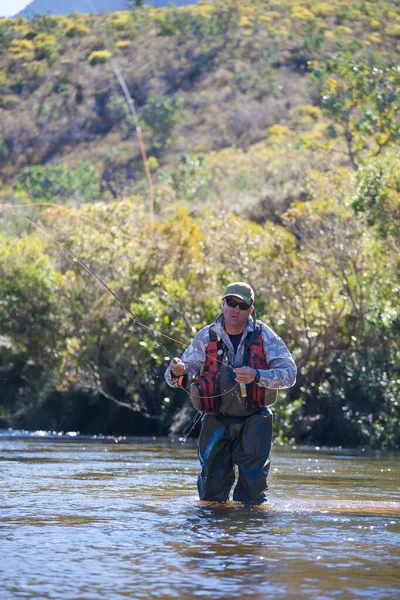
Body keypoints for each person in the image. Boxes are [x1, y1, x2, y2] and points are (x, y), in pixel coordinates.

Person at [165, 282, 297, 505]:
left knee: (252, 495)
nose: (236, 309)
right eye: (231, 303)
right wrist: (176, 370)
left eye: (243, 305)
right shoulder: (206, 336)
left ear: (250, 310)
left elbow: (290, 375)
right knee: (210, 496)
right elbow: (179, 377)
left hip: (255, 419)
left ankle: (248, 535)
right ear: (223, 304)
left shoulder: (265, 335)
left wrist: (256, 375)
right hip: (216, 420)